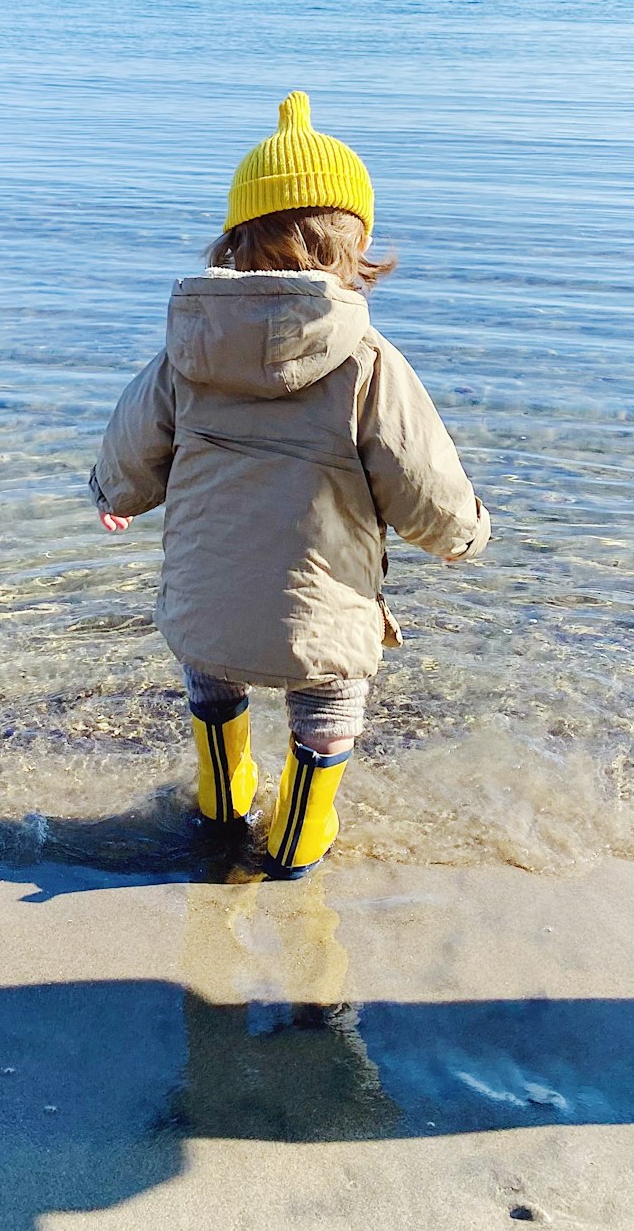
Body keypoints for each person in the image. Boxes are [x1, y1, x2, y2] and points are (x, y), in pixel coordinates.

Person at [90, 91, 491, 878]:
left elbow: (135, 438)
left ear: (236, 238)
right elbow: (419, 475)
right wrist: (460, 537)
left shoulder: (189, 351)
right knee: (326, 720)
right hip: (321, 608)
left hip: (206, 604)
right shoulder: (366, 359)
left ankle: (221, 814)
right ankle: (294, 853)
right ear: (358, 242)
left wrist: (117, 496)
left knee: (212, 692)